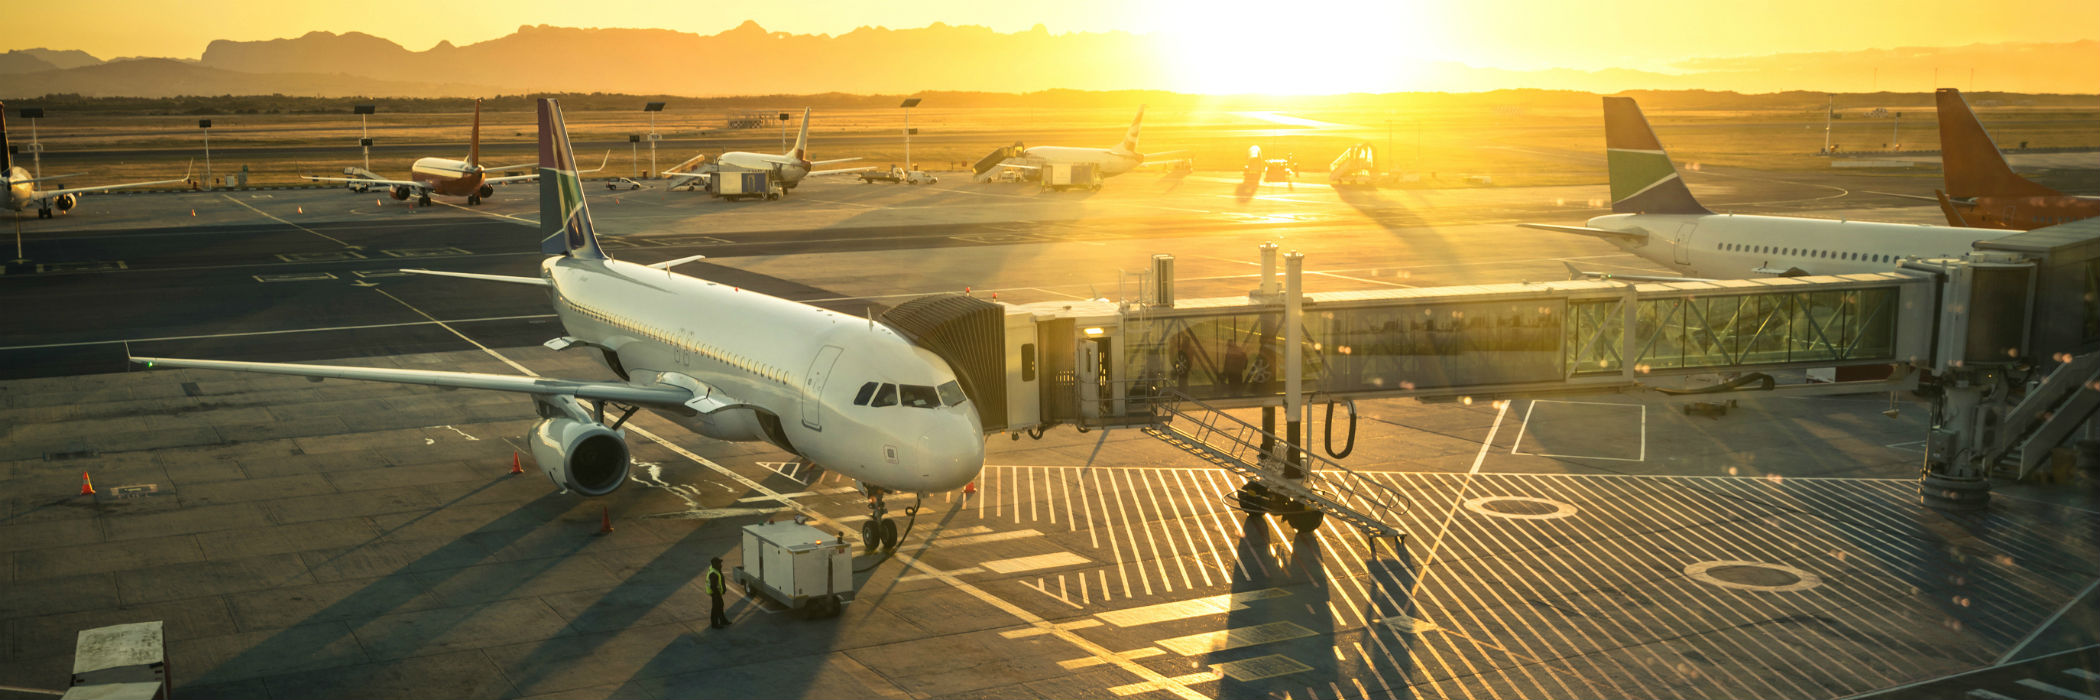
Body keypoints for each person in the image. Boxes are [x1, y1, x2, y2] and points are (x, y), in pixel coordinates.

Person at [707, 557, 731, 629]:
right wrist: (717, 594)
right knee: (716, 608)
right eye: (719, 563)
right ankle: (714, 624)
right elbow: (713, 586)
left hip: (717, 592)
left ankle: (722, 620)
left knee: (720, 605)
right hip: (715, 593)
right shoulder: (713, 573)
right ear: (715, 564)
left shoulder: (716, 569)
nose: (721, 565)